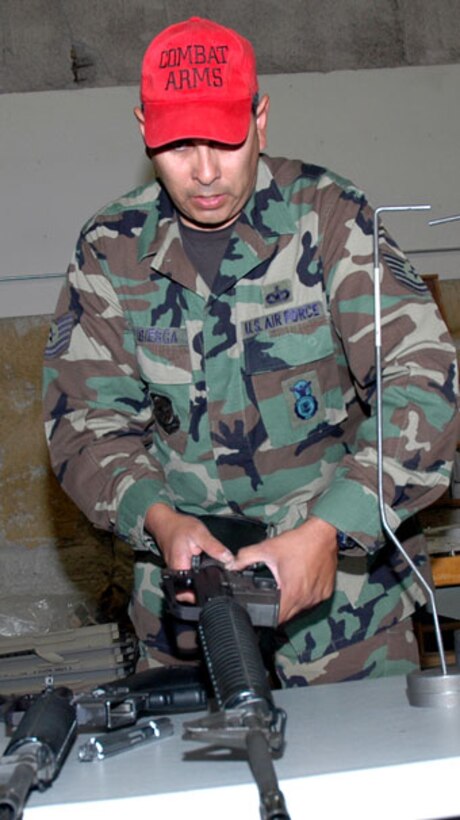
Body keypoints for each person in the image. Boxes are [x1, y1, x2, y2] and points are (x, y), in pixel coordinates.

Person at [43, 16, 459, 685]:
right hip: (189, 625)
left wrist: (328, 529)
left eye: (226, 141)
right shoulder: (111, 249)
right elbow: (85, 426)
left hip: (344, 623)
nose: (205, 173)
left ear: (261, 120)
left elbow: (423, 388)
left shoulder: (328, 219)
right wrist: (160, 519)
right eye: (178, 146)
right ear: (142, 128)